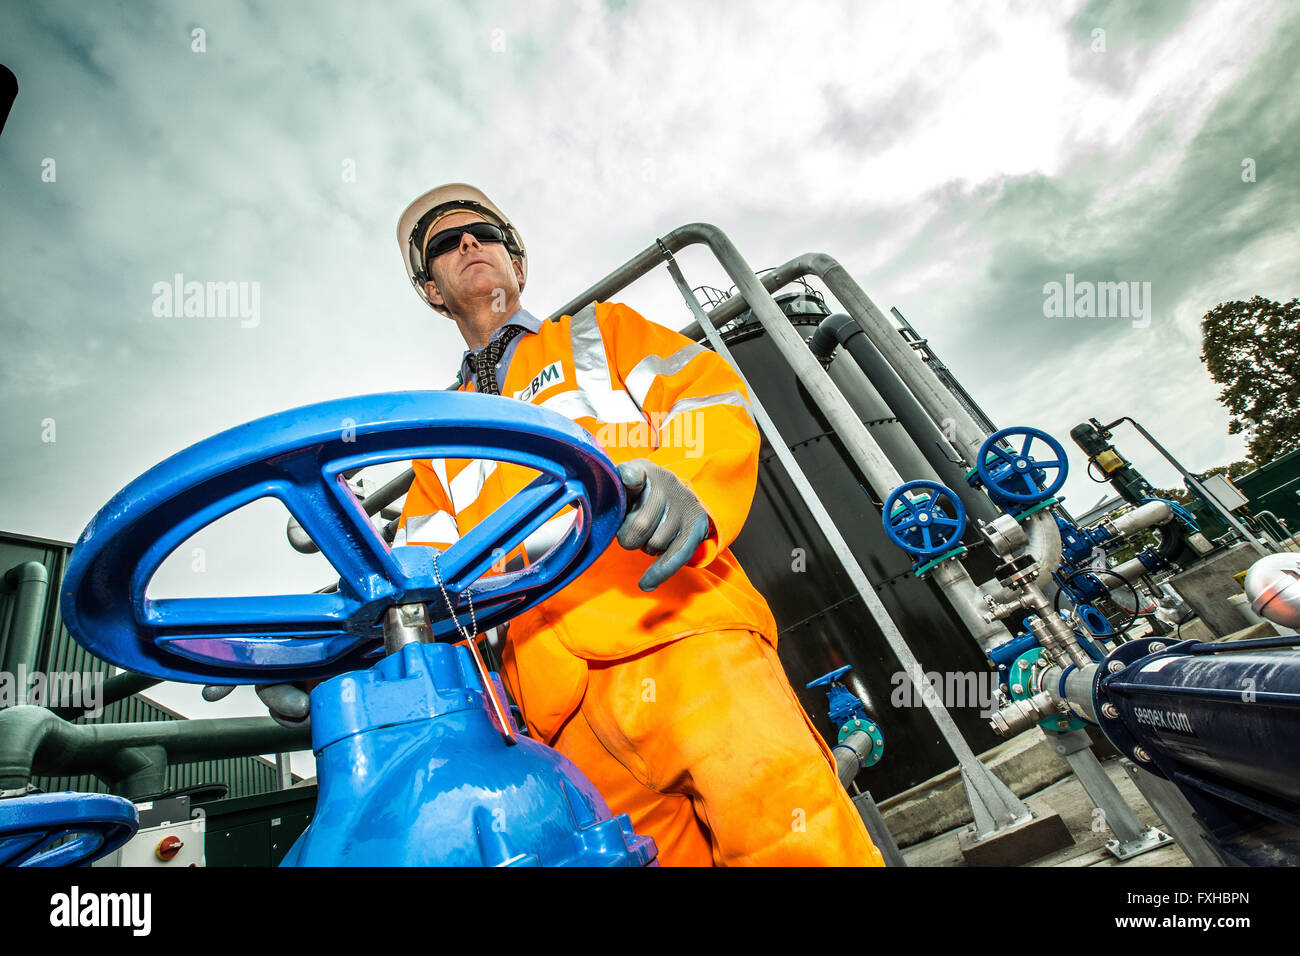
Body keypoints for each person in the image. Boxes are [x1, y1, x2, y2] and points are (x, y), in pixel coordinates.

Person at [385, 183, 882, 866]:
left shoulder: (601, 334)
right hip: (558, 713)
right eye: (445, 242)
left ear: (517, 264)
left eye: (486, 232)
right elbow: (413, 581)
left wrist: (691, 484)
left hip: (680, 637)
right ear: (432, 290)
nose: (469, 244)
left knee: (788, 837)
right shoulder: (441, 441)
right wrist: (340, 647)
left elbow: (708, 399)